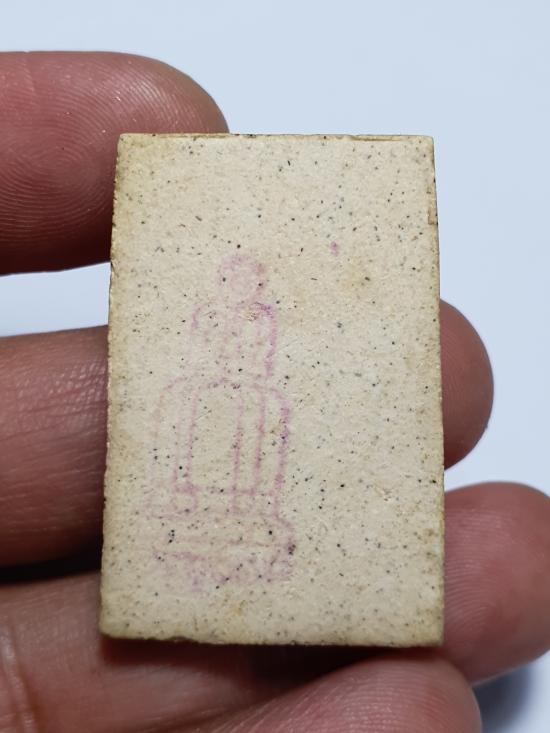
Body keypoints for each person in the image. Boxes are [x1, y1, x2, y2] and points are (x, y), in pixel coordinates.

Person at [0, 51, 548, 733]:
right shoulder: (209, 309)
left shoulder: (261, 315)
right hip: (207, 387)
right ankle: (187, 511)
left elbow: (256, 356)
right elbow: (197, 347)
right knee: (183, 404)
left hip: (246, 389)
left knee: (263, 410)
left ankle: (244, 512)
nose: (240, 288)